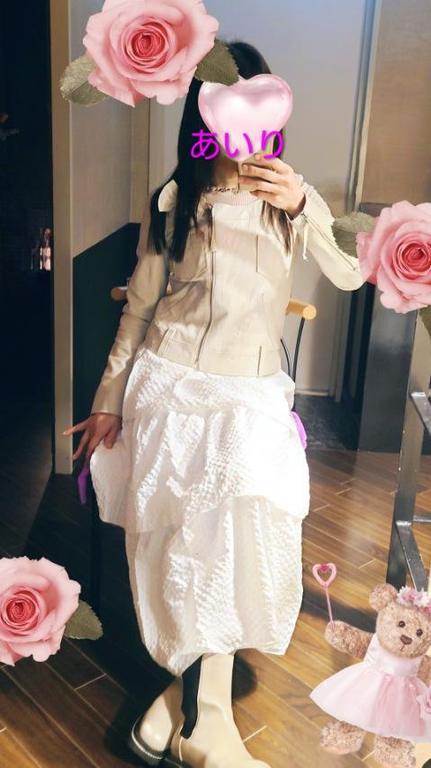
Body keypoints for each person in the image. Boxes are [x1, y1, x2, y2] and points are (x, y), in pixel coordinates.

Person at [63, 40, 365, 768]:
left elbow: (351, 275)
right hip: (174, 390)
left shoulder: (289, 200)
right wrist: (109, 401)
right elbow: (139, 311)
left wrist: (304, 204)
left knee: (241, 547)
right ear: (202, 118)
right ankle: (207, 728)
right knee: (196, 548)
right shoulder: (175, 202)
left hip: (252, 396)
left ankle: (174, 715)